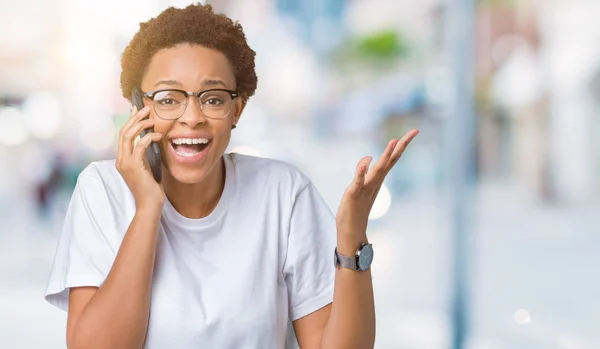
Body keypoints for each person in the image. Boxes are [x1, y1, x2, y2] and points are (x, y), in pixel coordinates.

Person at [44, 3, 418, 349]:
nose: (192, 117)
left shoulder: (283, 193)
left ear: (236, 109)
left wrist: (351, 235)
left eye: (212, 98)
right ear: (138, 107)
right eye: (169, 99)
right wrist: (147, 208)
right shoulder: (102, 190)